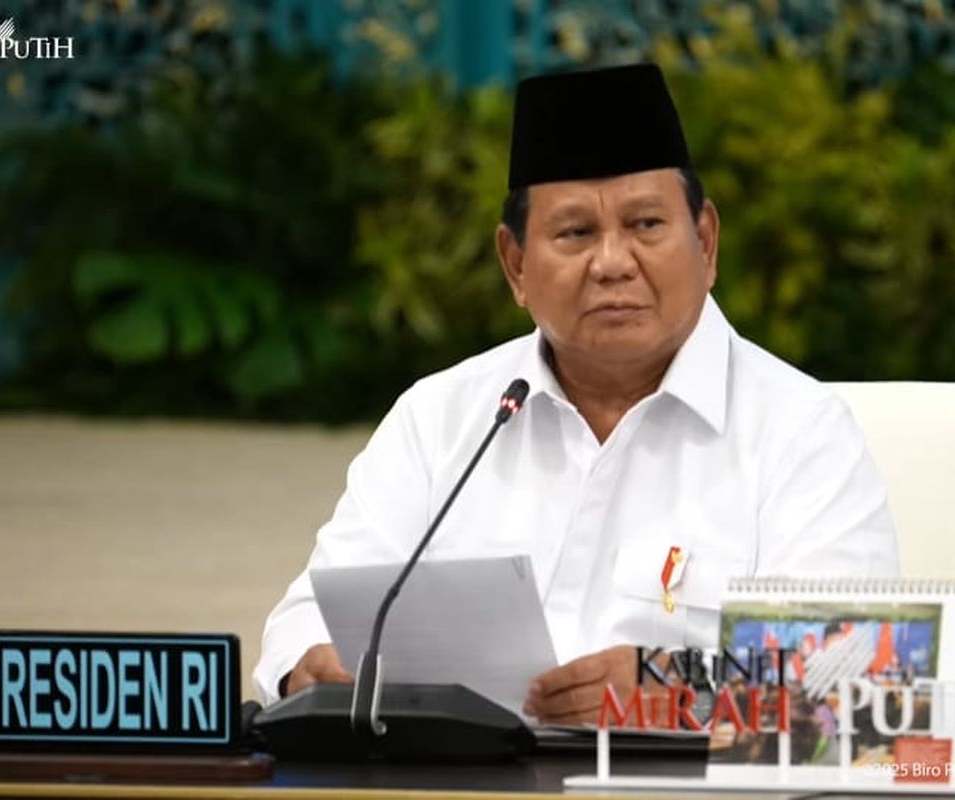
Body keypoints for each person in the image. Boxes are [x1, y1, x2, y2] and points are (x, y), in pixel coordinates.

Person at [253, 63, 899, 723]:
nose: (613, 263)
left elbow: (857, 674)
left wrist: (684, 687)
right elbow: (309, 615)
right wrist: (313, 664)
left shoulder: (800, 431)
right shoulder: (441, 418)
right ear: (516, 265)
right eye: (575, 234)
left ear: (705, 242)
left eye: (646, 225)